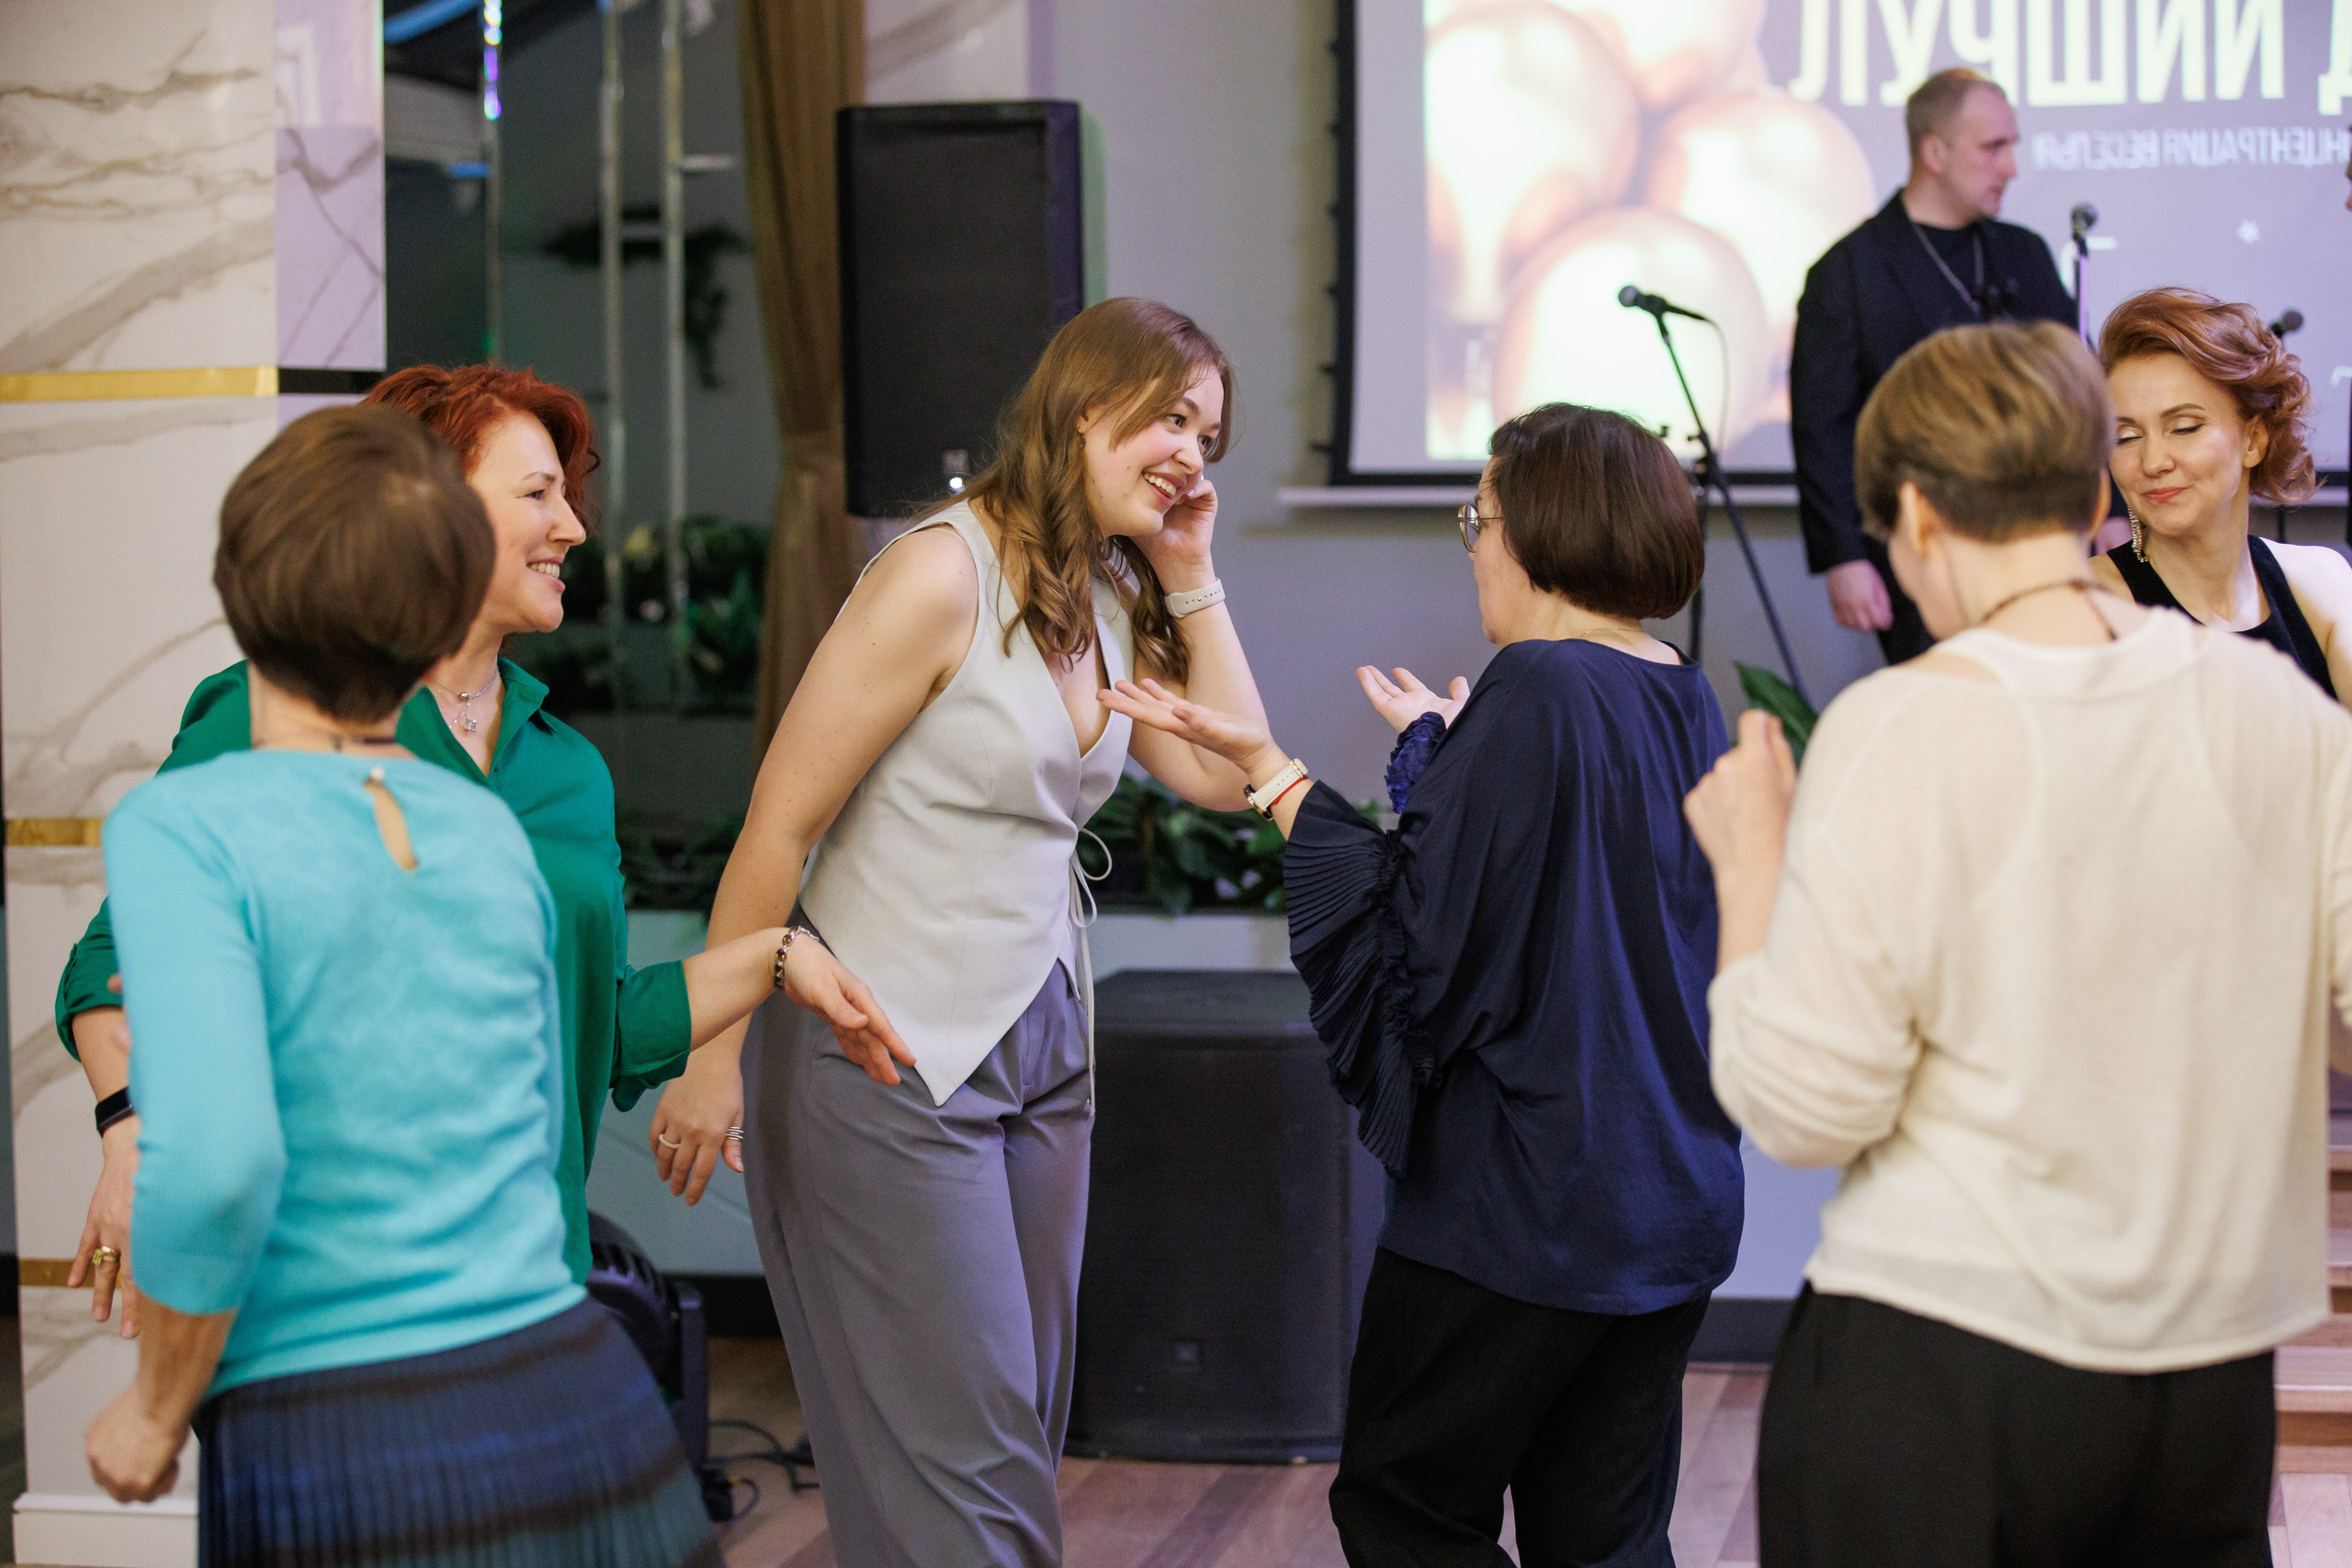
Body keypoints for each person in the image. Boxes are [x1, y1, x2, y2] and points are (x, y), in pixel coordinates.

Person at [1687, 321, 2352, 1563]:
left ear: (1921, 515)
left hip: (1940, 1355)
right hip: (2208, 1377)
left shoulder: (1902, 722)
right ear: (2097, 492)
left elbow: (1807, 1111)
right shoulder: (2283, 710)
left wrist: (1749, 870)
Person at [650, 298, 1270, 1565]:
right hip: (881, 1042)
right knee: (967, 1452)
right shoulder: (937, 570)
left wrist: (1195, 574)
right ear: (1087, 405)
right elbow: (779, 822)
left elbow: (1225, 770)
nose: (1192, 453)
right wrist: (709, 1052)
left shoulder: (1103, 589)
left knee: (1010, 1426)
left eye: (1209, 434)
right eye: (1171, 418)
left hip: (1043, 1036)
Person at [80, 405, 744, 1564]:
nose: (572, 527)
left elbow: (227, 1161)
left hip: (349, 1430)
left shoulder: (185, 829)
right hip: (585, 1399)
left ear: (244, 585)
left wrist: (155, 1406)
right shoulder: (480, 831)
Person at [1101, 403, 1741, 1567]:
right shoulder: (1677, 689)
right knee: (1603, 1541)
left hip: (1527, 1206)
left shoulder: (1536, 687)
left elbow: (1421, 933)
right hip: (1665, 1200)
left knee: (1406, 1511)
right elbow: (1548, 886)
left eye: (1479, 517)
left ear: (1544, 525)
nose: (1473, 546)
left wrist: (1267, 770)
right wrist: (1443, 747)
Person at [1791, 66, 2074, 664]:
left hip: (2038, 538)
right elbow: (1824, 427)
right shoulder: (1847, 271)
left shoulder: (2023, 254)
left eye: (2012, 146)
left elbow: (2078, 391)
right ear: (1935, 150)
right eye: (1994, 147)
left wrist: (2110, 513)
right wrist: (1844, 555)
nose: (2011, 166)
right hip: (1915, 549)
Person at [2090, 287, 2351, 703]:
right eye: (2127, 436)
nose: (2153, 460)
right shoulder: (2087, 607)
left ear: (2254, 440)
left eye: (2185, 427)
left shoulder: (2321, 582)